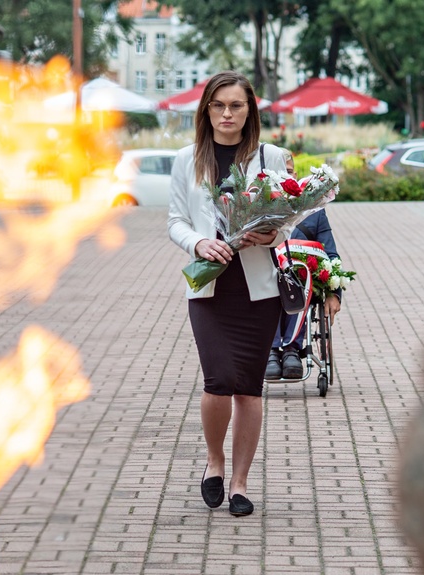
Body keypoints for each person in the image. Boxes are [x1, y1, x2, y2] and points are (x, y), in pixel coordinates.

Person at [168, 71, 288, 517]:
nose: (227, 114)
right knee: (218, 382)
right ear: (206, 110)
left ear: (249, 111)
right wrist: (198, 242)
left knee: (250, 390)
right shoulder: (188, 159)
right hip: (209, 290)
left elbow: (289, 218)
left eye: (236, 106)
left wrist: (272, 234)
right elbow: (175, 220)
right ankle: (214, 461)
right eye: (218, 106)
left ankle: (239, 483)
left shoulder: (269, 156)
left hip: (259, 291)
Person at [266, 147, 342, 380]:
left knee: (297, 280)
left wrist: (334, 293)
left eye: (288, 172)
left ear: (296, 175)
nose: (285, 177)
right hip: (267, 281)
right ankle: (271, 349)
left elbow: (331, 254)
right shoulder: (258, 208)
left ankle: (291, 348)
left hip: (302, 283)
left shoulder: (315, 212)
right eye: (279, 172)